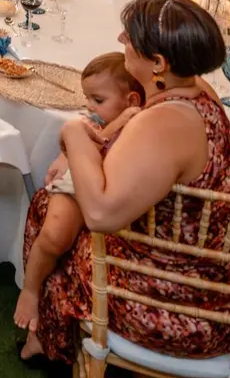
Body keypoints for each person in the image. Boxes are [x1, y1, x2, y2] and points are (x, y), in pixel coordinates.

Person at [21, 0, 230, 368]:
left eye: (130, 38)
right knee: (62, 211)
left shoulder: (162, 123)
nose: (121, 39)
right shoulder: (201, 92)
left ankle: (50, 342)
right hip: (227, 289)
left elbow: (101, 213)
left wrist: (73, 136)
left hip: (176, 310)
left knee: (53, 212)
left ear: (158, 63)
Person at [14, 54, 146, 340]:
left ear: (132, 99)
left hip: (107, 191)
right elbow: (94, 139)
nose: (90, 106)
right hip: (78, 181)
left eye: (98, 100)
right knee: (54, 235)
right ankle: (30, 288)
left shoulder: (141, 117)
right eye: (88, 98)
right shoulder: (102, 119)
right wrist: (65, 154)